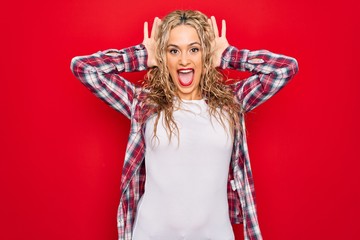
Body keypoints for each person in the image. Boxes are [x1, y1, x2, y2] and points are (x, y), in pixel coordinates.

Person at [70, 10, 298, 240]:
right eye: (173, 50)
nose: (184, 60)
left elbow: (285, 69)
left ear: (205, 55)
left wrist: (229, 56)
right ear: (163, 56)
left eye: (194, 49)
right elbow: (84, 68)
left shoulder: (232, 102)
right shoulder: (143, 104)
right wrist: (142, 56)